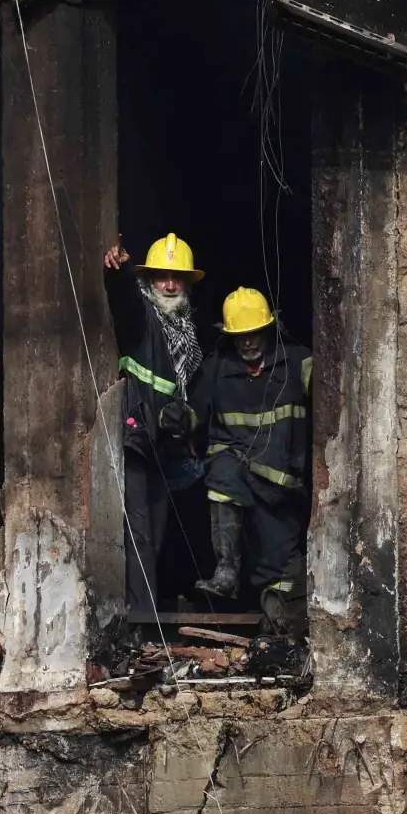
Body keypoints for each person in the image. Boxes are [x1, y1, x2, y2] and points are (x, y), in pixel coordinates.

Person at [194, 287, 312, 632]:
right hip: (235, 468)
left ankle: (279, 626)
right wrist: (175, 417)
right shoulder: (215, 369)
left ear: (268, 328)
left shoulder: (299, 362)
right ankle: (226, 570)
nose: (247, 343)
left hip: (281, 487)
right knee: (220, 475)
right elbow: (193, 414)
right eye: (239, 336)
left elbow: (335, 397)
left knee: (280, 571)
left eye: (253, 333)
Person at [104, 233, 207, 614]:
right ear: (149, 280)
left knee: (158, 536)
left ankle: (147, 616)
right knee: (141, 534)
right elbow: (124, 303)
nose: (168, 284)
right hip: (137, 440)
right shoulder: (144, 318)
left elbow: (192, 394)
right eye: (161, 276)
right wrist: (120, 272)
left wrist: (185, 420)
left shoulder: (188, 335)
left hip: (164, 448)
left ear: (186, 283)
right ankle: (142, 620)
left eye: (175, 277)